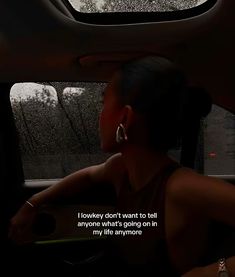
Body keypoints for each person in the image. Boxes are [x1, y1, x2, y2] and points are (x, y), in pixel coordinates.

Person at [8, 56, 235, 276]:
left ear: (125, 118)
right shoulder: (120, 168)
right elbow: (87, 177)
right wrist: (32, 203)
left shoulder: (181, 186)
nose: (100, 114)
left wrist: (212, 272)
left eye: (103, 102)